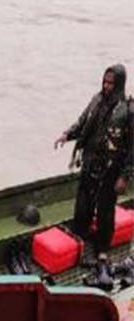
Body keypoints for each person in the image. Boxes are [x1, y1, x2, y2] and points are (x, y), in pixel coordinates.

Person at [54, 64, 133, 259]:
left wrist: (125, 177)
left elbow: (133, 148)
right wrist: (67, 135)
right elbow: (82, 124)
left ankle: (102, 250)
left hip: (111, 169)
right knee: (83, 206)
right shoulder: (96, 100)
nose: (106, 86)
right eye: (104, 82)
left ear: (120, 84)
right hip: (90, 163)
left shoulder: (128, 111)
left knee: (105, 211)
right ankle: (79, 238)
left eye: (111, 83)